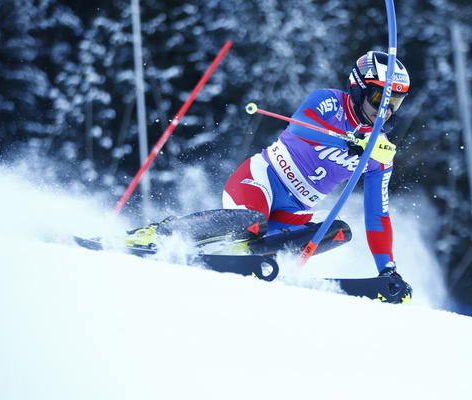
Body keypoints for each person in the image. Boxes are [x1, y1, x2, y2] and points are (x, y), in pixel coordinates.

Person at [126, 51, 412, 301]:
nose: (385, 112)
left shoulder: (380, 153)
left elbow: (378, 215)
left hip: (294, 210)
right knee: (253, 220)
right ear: (359, 89)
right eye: (379, 99)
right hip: (261, 180)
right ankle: (159, 233)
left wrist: (388, 269)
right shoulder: (329, 102)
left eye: (394, 103)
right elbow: (302, 127)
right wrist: (347, 141)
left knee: (339, 232)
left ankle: (253, 255)